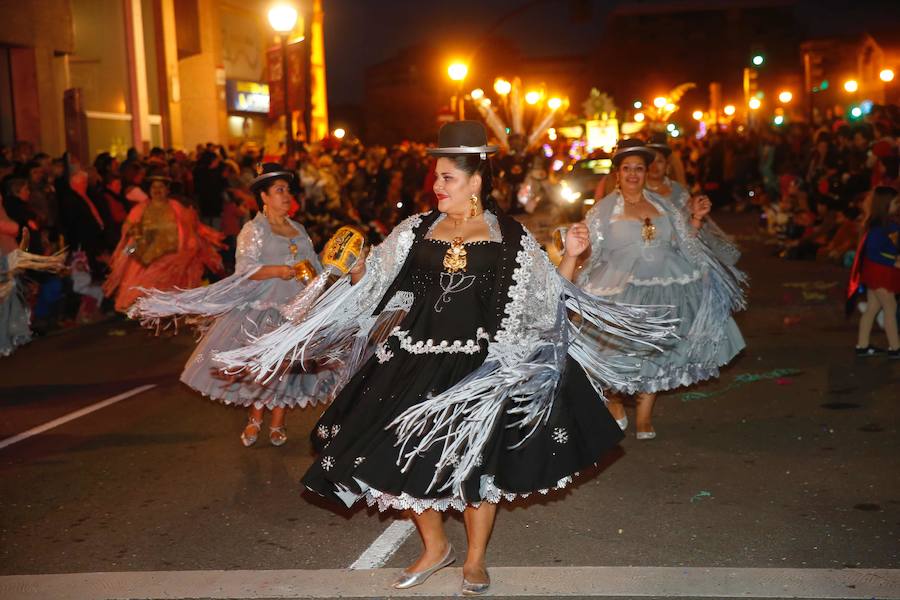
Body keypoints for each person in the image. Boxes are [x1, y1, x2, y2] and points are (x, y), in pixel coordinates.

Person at [218, 122, 675, 595]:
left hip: (479, 366)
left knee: (475, 462)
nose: (436, 186)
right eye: (435, 177)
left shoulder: (510, 238)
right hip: (412, 357)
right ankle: (436, 547)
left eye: (447, 178)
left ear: (475, 181)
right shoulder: (415, 230)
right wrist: (353, 266)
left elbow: (543, 297)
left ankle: (475, 559)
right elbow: (373, 283)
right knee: (398, 452)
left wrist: (572, 257)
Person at [130, 164, 334, 445]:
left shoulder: (298, 229)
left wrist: (326, 267)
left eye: (287, 190)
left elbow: (312, 264)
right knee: (262, 368)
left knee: (285, 366)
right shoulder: (254, 229)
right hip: (263, 308)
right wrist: (278, 270)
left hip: (295, 309)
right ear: (264, 197)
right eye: (279, 191)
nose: (286, 196)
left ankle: (278, 422)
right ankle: (255, 419)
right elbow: (245, 270)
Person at [559, 139, 746, 439]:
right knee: (613, 357)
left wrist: (695, 218)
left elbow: (683, 243)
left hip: (666, 285)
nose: (633, 174)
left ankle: (644, 418)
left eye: (639, 168)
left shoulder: (664, 205)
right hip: (620, 290)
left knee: (655, 352)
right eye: (627, 169)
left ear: (646, 173)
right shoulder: (602, 212)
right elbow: (590, 255)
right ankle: (616, 402)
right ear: (617, 174)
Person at [103, 174, 223, 312]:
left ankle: (163, 316)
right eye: (154, 187)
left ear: (167, 190)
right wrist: (129, 249)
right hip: (147, 260)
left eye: (161, 187)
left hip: (172, 260)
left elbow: (191, 228)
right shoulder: (139, 209)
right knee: (145, 291)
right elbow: (128, 231)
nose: (157, 190)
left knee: (169, 295)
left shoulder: (177, 207)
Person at [645, 133, 741, 266]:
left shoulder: (678, 190)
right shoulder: (638, 191)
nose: (654, 166)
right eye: (651, 161)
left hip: (682, 252)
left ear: (668, 166)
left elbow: (690, 223)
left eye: (660, 161)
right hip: (648, 252)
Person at [853, 186, 900, 358]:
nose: (898, 205)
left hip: (880, 270)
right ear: (885, 204)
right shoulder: (878, 228)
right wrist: (893, 262)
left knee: (873, 307)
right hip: (881, 270)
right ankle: (895, 348)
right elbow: (872, 252)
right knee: (890, 307)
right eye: (895, 202)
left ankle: (862, 345)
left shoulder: (887, 224)